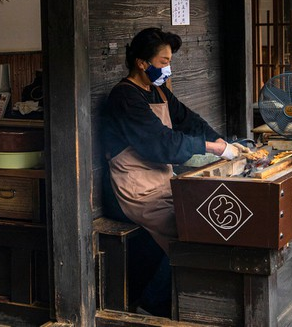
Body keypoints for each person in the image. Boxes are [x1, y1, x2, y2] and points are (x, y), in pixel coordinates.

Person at [101, 27, 243, 316]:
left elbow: (189, 121)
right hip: (136, 190)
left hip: (162, 181)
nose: (168, 67)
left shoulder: (158, 90)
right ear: (142, 63)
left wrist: (223, 142)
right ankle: (151, 305)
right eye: (164, 61)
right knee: (191, 228)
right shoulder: (124, 98)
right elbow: (161, 146)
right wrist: (214, 150)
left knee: (204, 218)